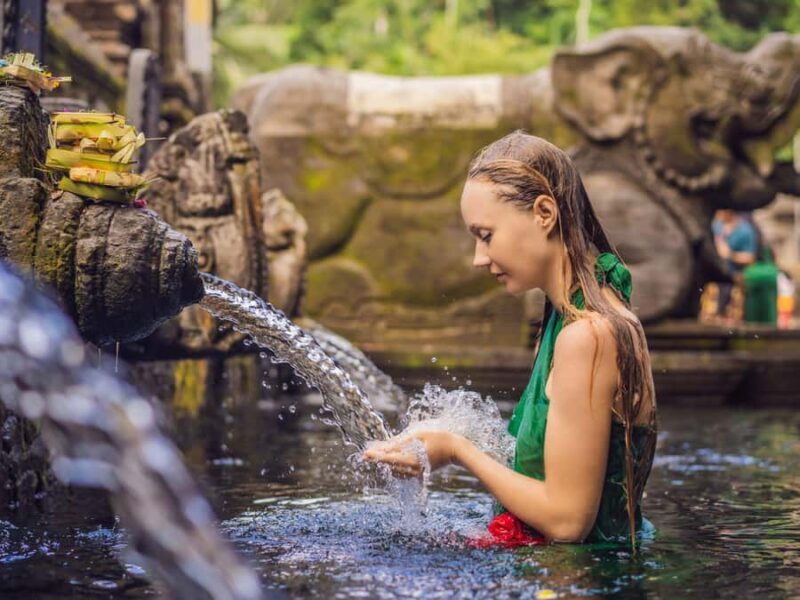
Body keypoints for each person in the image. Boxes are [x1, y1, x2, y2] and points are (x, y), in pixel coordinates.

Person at [364, 132, 657, 551]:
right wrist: (440, 435)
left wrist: (457, 449)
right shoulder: (566, 318)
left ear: (544, 213)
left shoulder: (587, 336)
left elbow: (568, 520)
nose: (478, 258)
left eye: (486, 235)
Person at [711, 210, 758, 320]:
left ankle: (721, 316)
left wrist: (730, 255)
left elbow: (750, 257)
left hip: (733, 272)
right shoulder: (716, 226)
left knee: (726, 286)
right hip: (713, 270)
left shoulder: (745, 231)